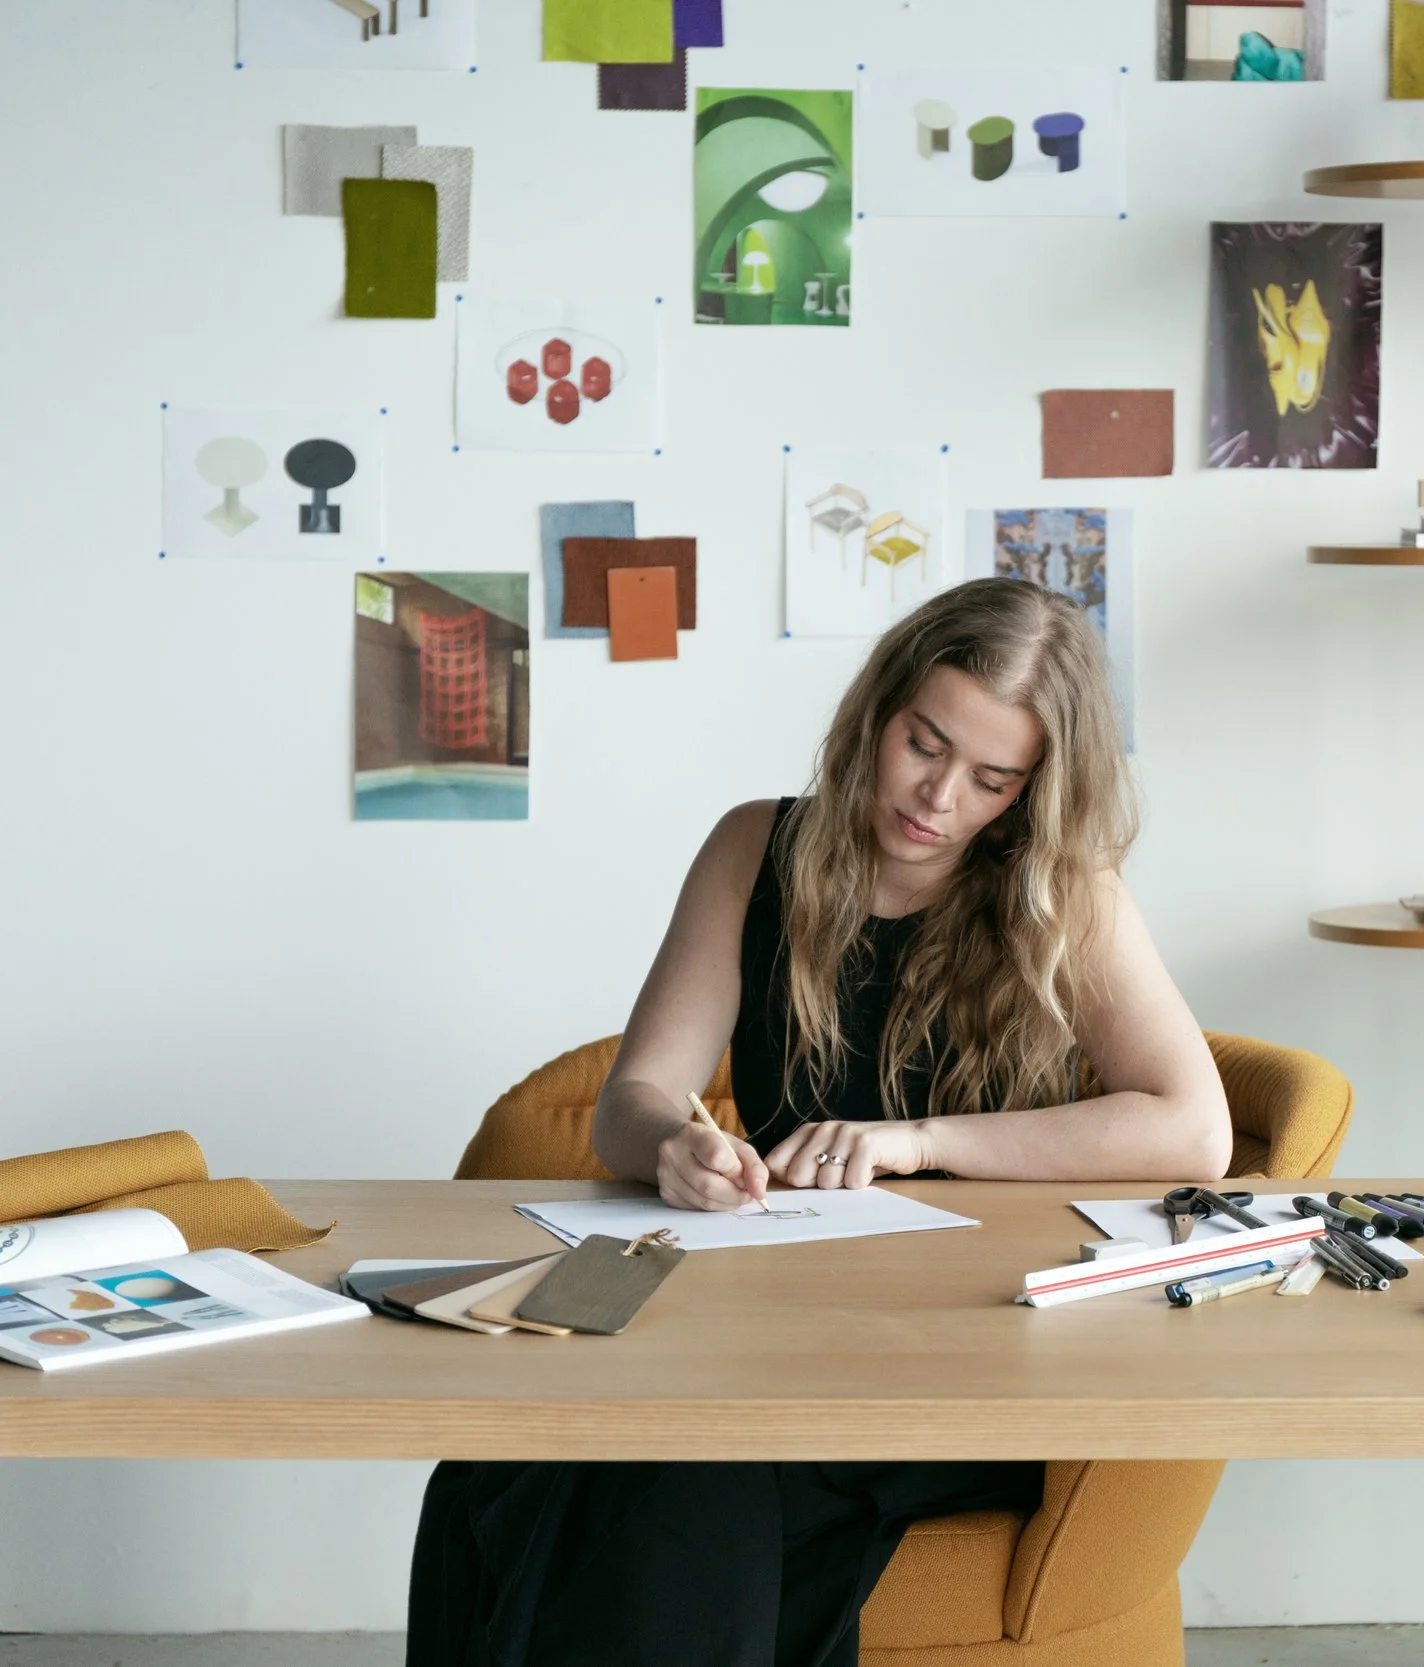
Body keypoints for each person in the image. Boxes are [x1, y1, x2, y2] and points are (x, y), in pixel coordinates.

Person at [407, 579, 1232, 1667]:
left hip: (976, 1351)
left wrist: (919, 1141)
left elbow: (1193, 1130)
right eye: (922, 744)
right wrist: (674, 1144)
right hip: (772, 1332)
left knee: (655, 1467)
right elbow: (633, 1097)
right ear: (876, 711)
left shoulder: (1064, 892)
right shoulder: (757, 848)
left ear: (1034, 788)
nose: (937, 797)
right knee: (527, 1455)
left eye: (990, 778)